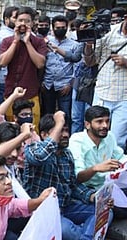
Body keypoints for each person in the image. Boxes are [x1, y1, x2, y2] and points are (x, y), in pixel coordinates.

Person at [24, 111, 102, 239]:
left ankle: (85, 236)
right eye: (60, 130)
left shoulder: (67, 154)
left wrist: (93, 197)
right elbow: (39, 157)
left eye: (66, 130)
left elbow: (73, 185)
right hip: (42, 211)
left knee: (104, 212)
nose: (65, 135)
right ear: (44, 135)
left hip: (66, 207)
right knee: (66, 230)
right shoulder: (33, 148)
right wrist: (59, 122)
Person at [83, 11, 127, 150]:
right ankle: (93, 166)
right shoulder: (106, 31)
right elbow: (90, 62)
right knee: (94, 134)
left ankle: (114, 170)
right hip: (102, 92)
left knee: (118, 140)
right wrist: (89, 45)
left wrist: (126, 62)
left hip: (124, 97)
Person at [0, 6, 47, 128]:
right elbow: (2, 62)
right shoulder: (7, 41)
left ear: (32, 23)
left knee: (32, 128)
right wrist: (15, 41)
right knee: (10, 129)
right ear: (15, 21)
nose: (23, 24)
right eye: (20, 20)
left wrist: (27, 42)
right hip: (11, 93)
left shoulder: (39, 42)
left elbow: (40, 63)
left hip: (30, 94)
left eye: (27, 21)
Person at [69, 106, 125, 192]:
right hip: (84, 189)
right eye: (99, 122)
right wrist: (96, 168)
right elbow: (78, 177)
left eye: (107, 121)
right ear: (87, 125)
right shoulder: (77, 140)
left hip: (107, 185)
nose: (105, 125)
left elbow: (120, 157)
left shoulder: (109, 136)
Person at [41, 15, 82, 121]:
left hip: (65, 85)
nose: (60, 30)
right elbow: (42, 63)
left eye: (63, 28)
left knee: (65, 114)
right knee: (47, 114)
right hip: (48, 84)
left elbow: (77, 66)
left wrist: (70, 84)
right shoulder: (46, 42)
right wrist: (42, 81)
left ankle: (64, 135)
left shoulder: (74, 45)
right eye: (58, 28)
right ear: (53, 28)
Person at [0, 6, 18, 105]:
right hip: (4, 79)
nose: (18, 21)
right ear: (7, 19)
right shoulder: (4, 35)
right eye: (15, 18)